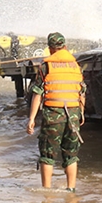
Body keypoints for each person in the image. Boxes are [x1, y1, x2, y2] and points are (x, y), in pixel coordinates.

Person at [26, 32, 86, 191]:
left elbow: (37, 93)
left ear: (50, 49)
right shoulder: (75, 65)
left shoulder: (46, 66)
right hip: (73, 114)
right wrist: (81, 113)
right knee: (71, 155)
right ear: (65, 47)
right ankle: (71, 189)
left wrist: (31, 118)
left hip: (53, 115)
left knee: (47, 155)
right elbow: (81, 92)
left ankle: (47, 192)